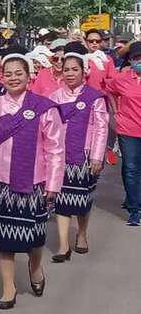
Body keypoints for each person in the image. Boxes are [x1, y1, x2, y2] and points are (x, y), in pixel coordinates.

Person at [0, 45, 65, 309]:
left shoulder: (44, 107)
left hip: (33, 183)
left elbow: (55, 149)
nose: (13, 78)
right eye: (8, 73)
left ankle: (35, 268)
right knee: (3, 239)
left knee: (34, 237)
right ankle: (8, 287)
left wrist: (53, 184)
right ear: (1, 77)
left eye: (18, 73)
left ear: (28, 75)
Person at [50, 43, 109, 259]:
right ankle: (63, 245)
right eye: (66, 69)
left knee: (82, 199)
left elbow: (101, 127)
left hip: (85, 155)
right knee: (61, 199)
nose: (70, 73)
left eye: (75, 69)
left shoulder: (95, 97)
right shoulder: (55, 97)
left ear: (84, 71)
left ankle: (82, 233)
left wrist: (97, 156)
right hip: (60, 156)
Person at [106, 41, 141, 226]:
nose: (139, 61)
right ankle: (135, 209)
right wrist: (115, 111)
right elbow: (108, 89)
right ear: (131, 60)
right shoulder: (123, 78)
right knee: (131, 168)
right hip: (128, 130)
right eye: (136, 58)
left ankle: (132, 198)